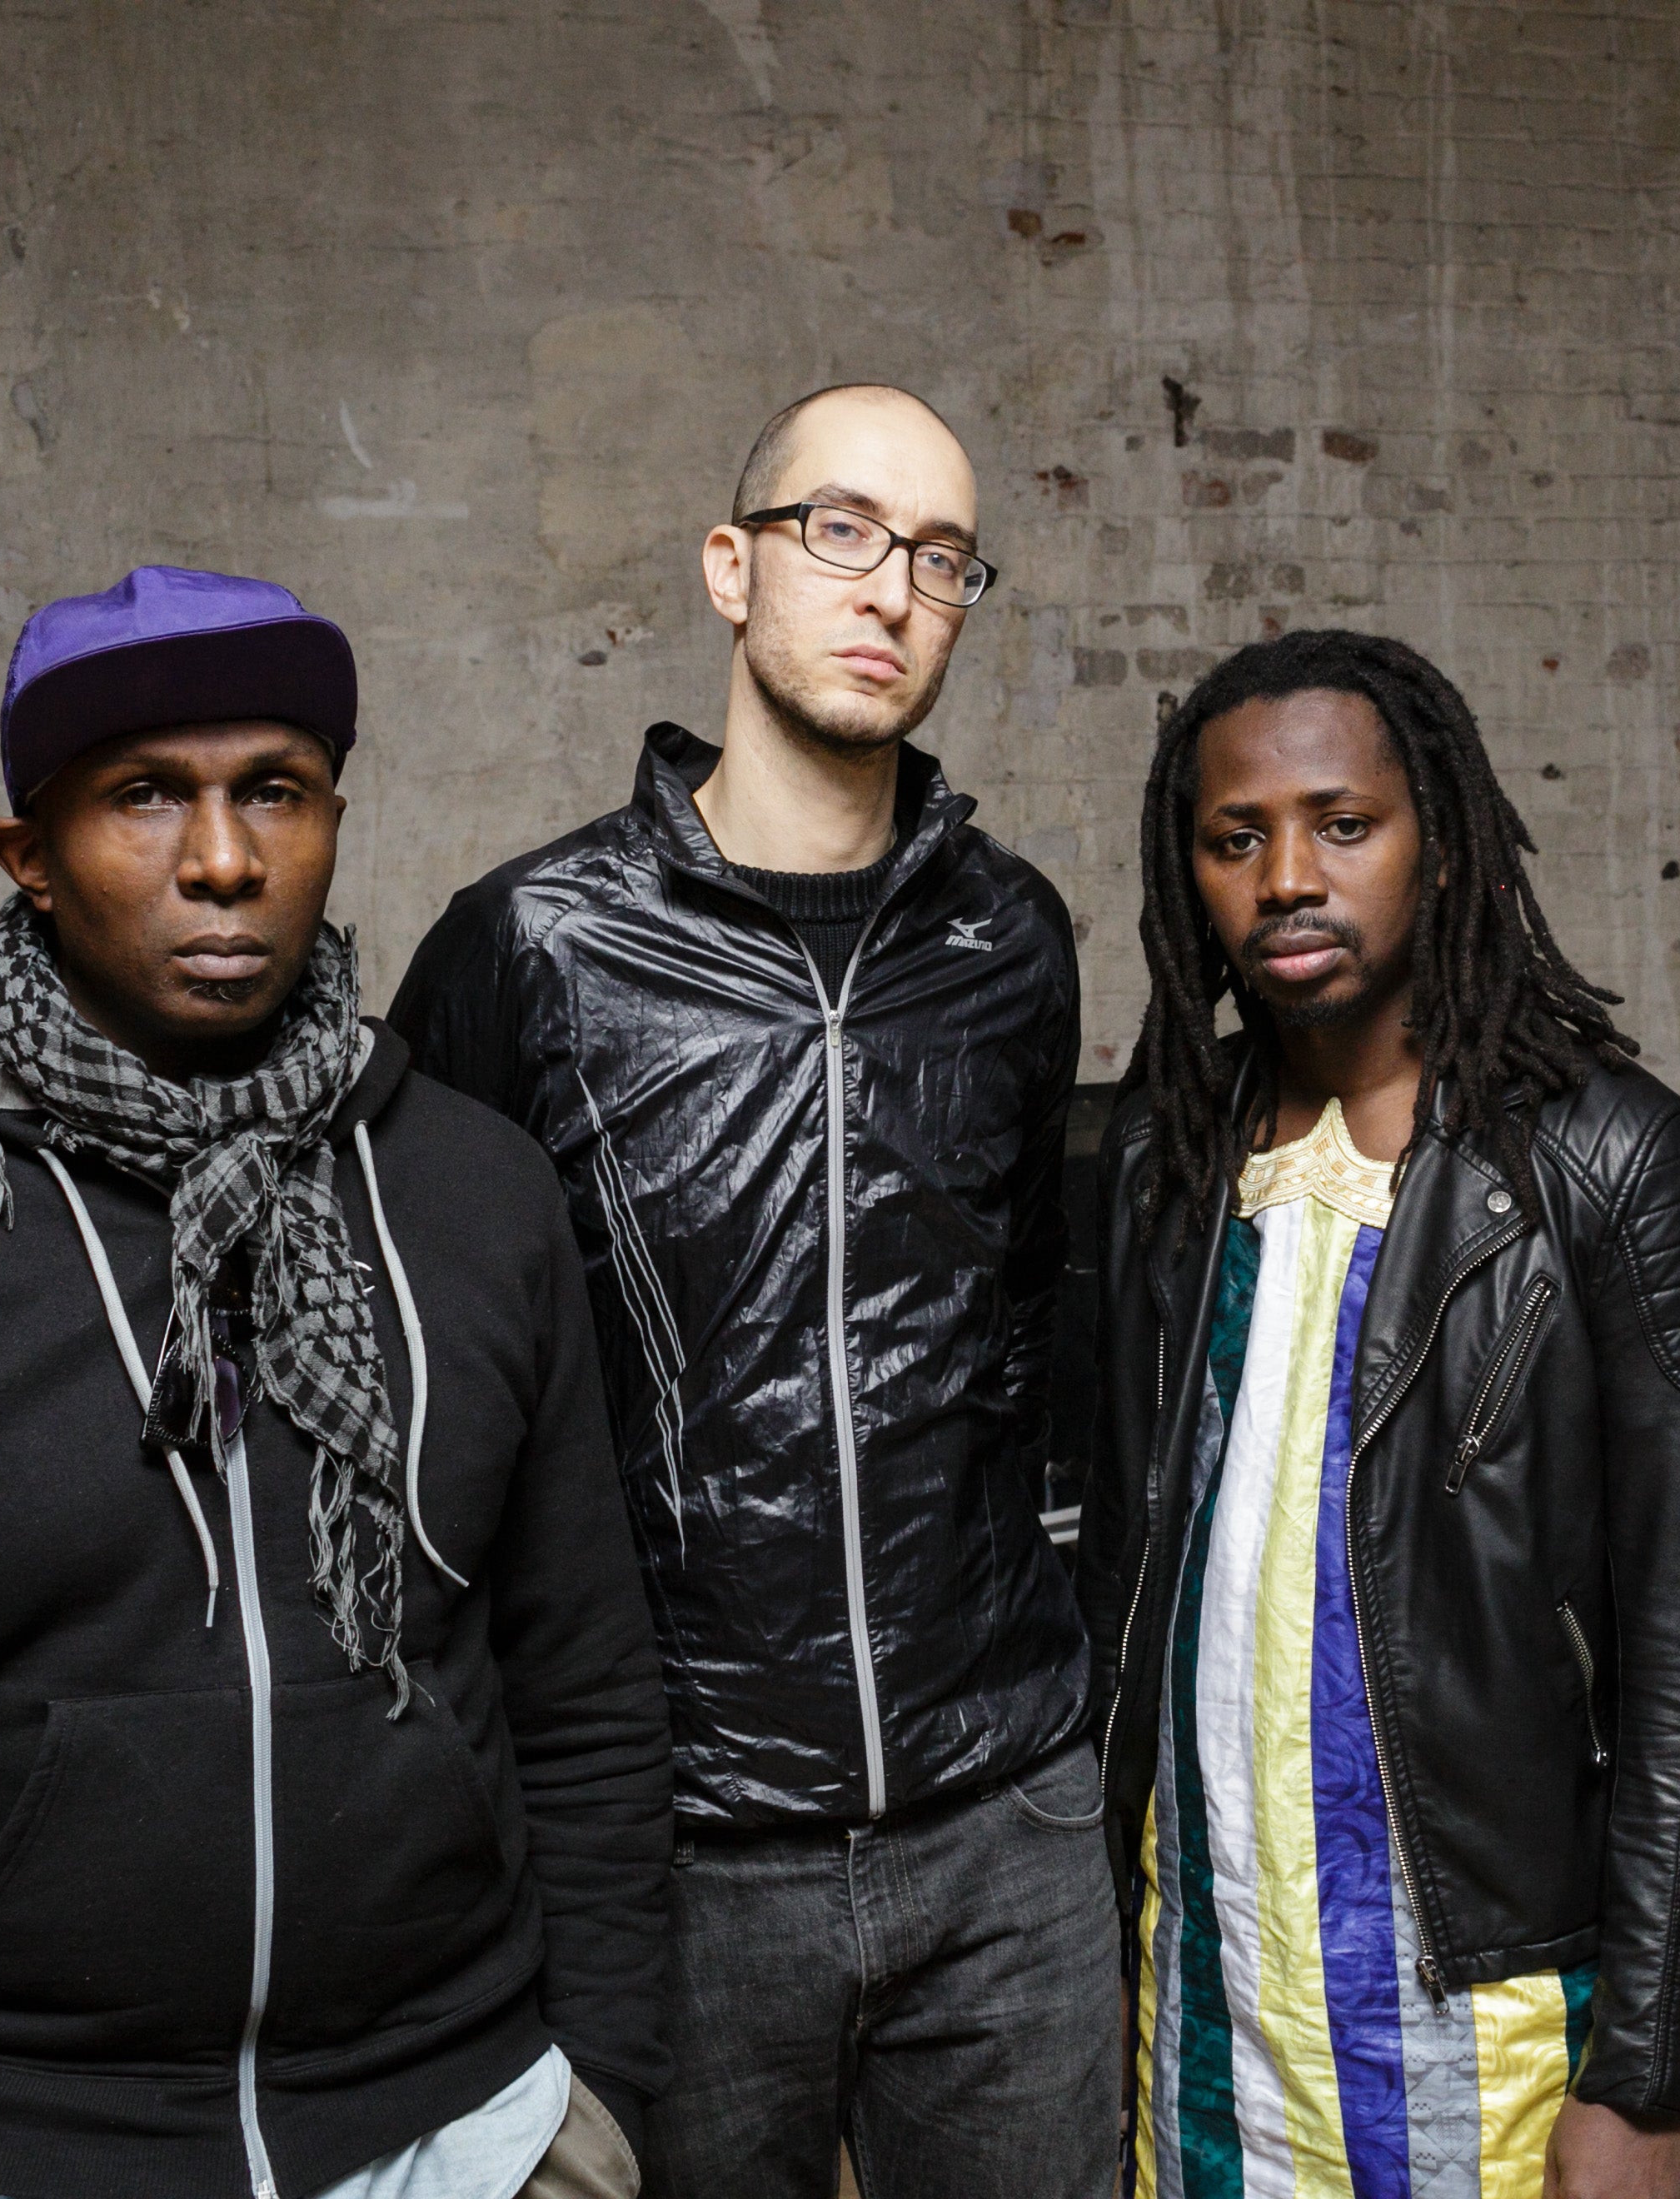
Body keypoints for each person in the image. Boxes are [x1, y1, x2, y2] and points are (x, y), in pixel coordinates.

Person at [0, 566, 672, 2199]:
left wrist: (600, 2096)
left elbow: (584, 1693)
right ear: (29, 856)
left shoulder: (481, 1199)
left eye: (275, 791)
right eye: (146, 795)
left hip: (462, 2128)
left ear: (331, 820)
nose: (223, 859)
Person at [387, 386, 1114, 2198]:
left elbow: (1022, 1325)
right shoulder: (534, 946)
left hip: (1005, 1818)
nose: (891, 589)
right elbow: (427, 1389)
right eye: (842, 530)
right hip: (687, 1850)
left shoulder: (1012, 940)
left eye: (941, 557)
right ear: (733, 567)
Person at [1080, 629, 1680, 2199]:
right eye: (1236, 839)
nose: (1288, 879)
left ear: (1442, 844)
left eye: (1344, 824)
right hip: (1208, 1987)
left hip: (1496, 2000)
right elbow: (1123, 1584)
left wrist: (1648, 2073)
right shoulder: (1164, 1162)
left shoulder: (1611, 1164)